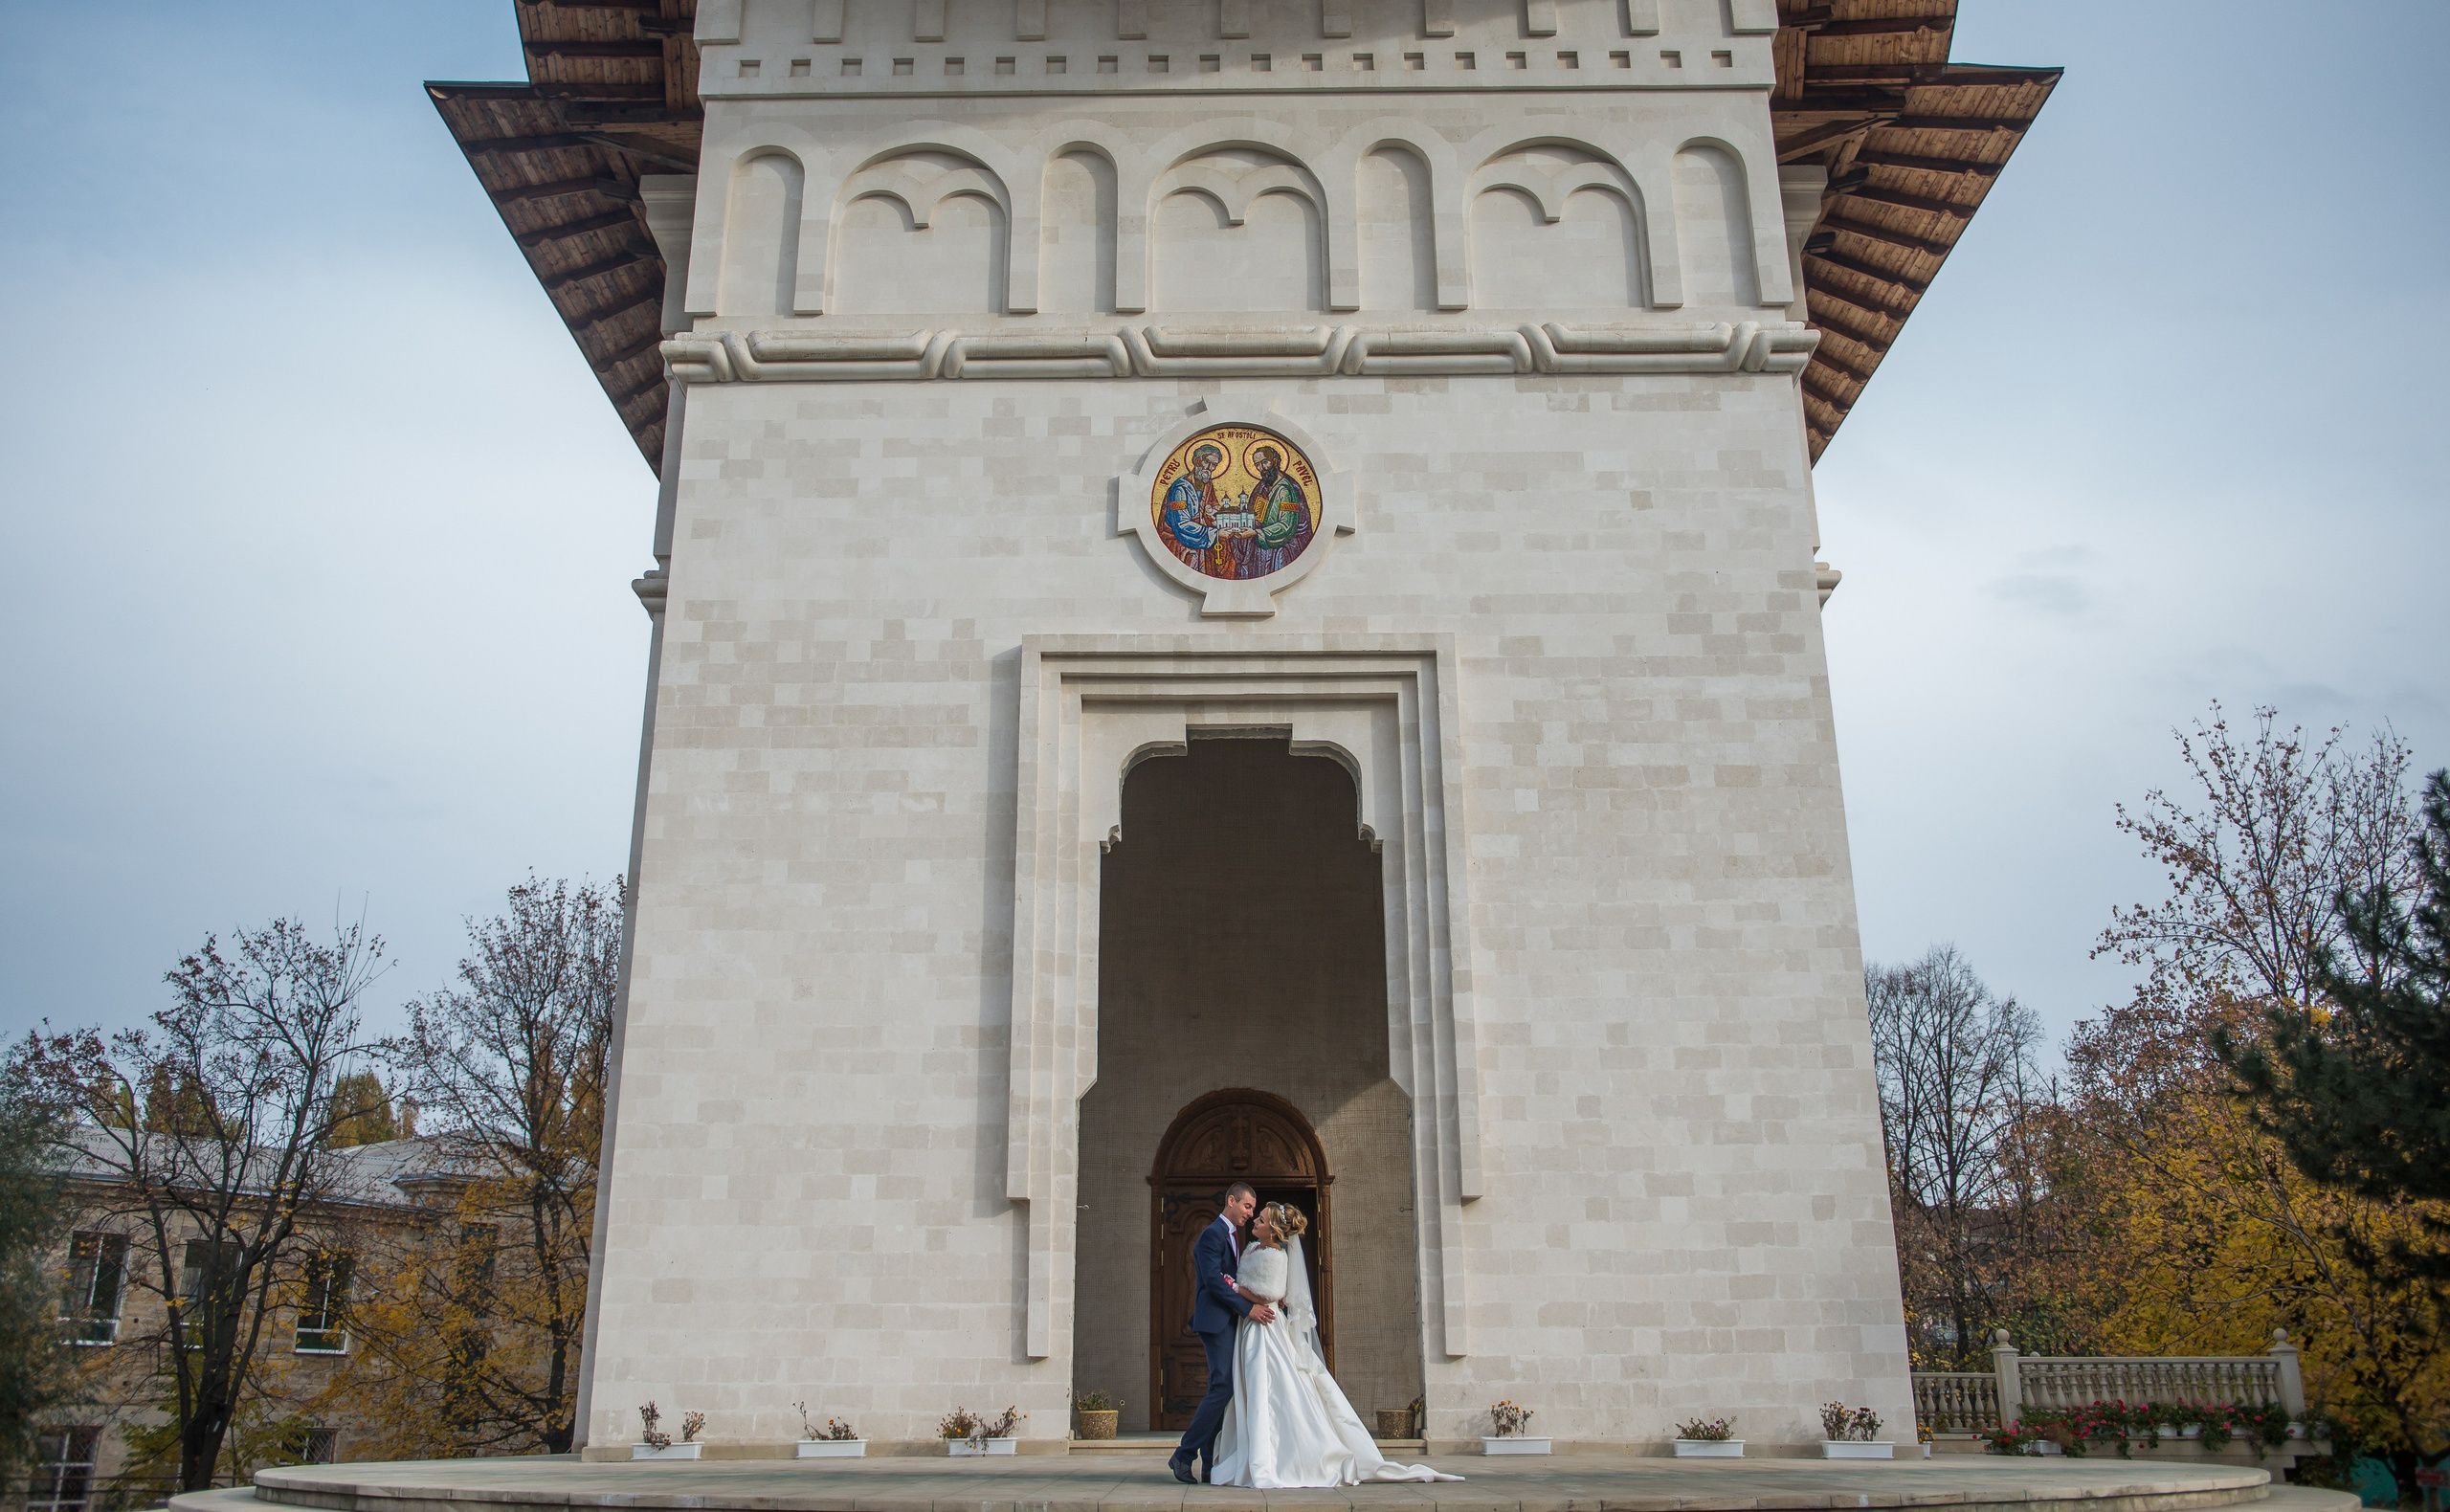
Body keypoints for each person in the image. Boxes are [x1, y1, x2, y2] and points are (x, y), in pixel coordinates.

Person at [1206, 1202, 1460, 1487]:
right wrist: (1240, 1289)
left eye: (1261, 1219)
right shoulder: (1253, 1248)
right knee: (1248, 1387)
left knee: (1266, 1384)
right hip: (1248, 1325)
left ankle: (1272, 1456)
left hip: (1265, 1327)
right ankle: (1249, 1449)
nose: (1255, 1221)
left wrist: (1235, 1289)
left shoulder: (1278, 1255)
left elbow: (1273, 1292)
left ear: (1274, 1231)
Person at [1169, 1182, 1274, 1484]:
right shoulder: (1211, 1235)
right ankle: (1184, 1454)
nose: (1250, 1213)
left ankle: (1209, 1464)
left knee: (1223, 1389)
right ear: (1232, 1201)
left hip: (1228, 1321)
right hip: (1214, 1321)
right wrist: (1248, 1308)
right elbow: (1215, 1281)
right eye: (1247, 1206)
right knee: (1223, 1386)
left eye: (1253, 1209)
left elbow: (1233, 1277)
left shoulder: (1233, 1236)